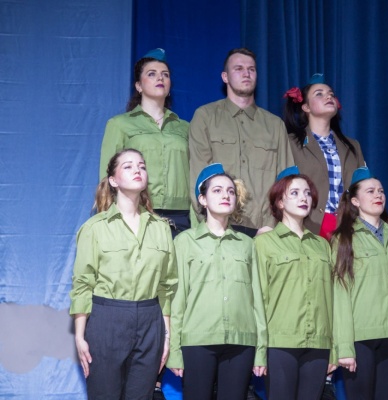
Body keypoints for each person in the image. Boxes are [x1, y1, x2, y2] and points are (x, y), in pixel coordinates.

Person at [69, 149, 177, 400]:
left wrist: (166, 335)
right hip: (107, 319)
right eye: (128, 166)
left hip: (150, 320)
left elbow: (166, 286)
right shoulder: (94, 228)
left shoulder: (161, 228)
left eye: (142, 166)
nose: (137, 170)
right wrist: (80, 336)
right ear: (113, 180)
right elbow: (83, 284)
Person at [167, 163, 267, 399]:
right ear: (202, 199)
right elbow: (177, 300)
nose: (226, 195)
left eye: (231, 191)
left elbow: (258, 300)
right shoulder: (185, 241)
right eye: (218, 190)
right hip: (197, 340)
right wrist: (174, 351)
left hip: (241, 341)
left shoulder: (247, 244)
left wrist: (261, 350)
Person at [331, 167, 388, 399]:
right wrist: (344, 347)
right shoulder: (344, 239)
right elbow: (340, 296)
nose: (378, 195)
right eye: (370, 191)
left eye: (380, 191)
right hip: (360, 339)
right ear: (355, 201)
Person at [188, 48, 293, 237]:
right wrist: (211, 223)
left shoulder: (275, 125)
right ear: (225, 76)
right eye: (239, 69)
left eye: (251, 69)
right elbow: (199, 176)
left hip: (265, 229)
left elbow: (286, 181)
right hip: (218, 228)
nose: (246, 73)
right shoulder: (205, 117)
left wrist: (274, 227)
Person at [254, 166, 336, 399]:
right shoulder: (264, 243)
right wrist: (260, 351)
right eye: (295, 193)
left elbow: (332, 300)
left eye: (308, 193)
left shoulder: (322, 245)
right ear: (280, 202)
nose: (304, 198)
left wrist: (335, 348)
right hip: (280, 342)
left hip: (319, 344)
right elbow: (258, 300)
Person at [100, 48, 191, 238]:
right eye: (151, 74)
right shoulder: (119, 124)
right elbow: (106, 178)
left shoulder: (185, 127)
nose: (160, 78)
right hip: (138, 211)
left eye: (165, 74)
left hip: (181, 216)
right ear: (138, 86)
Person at [283, 73, 365, 239]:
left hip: (348, 226)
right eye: (319, 94)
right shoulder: (291, 143)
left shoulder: (352, 146)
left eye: (331, 94)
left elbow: (362, 186)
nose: (328, 96)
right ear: (306, 107)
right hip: (309, 225)